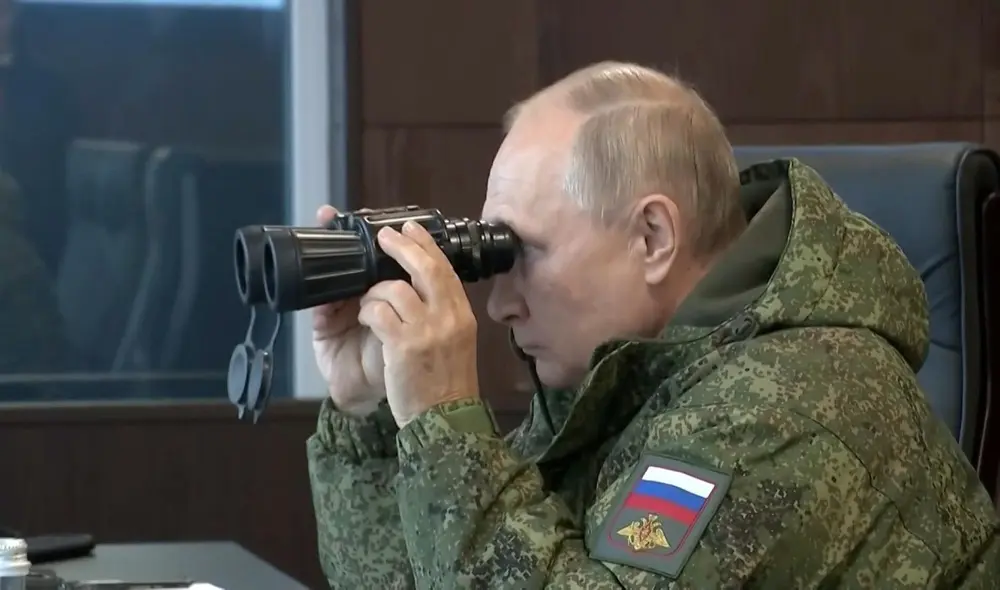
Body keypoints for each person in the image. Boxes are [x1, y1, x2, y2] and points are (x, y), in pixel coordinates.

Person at [306, 62, 1000, 588]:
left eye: (526, 252)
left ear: (653, 237)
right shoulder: (633, 376)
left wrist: (447, 427)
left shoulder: (785, 411)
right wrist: (371, 414)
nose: (500, 304)